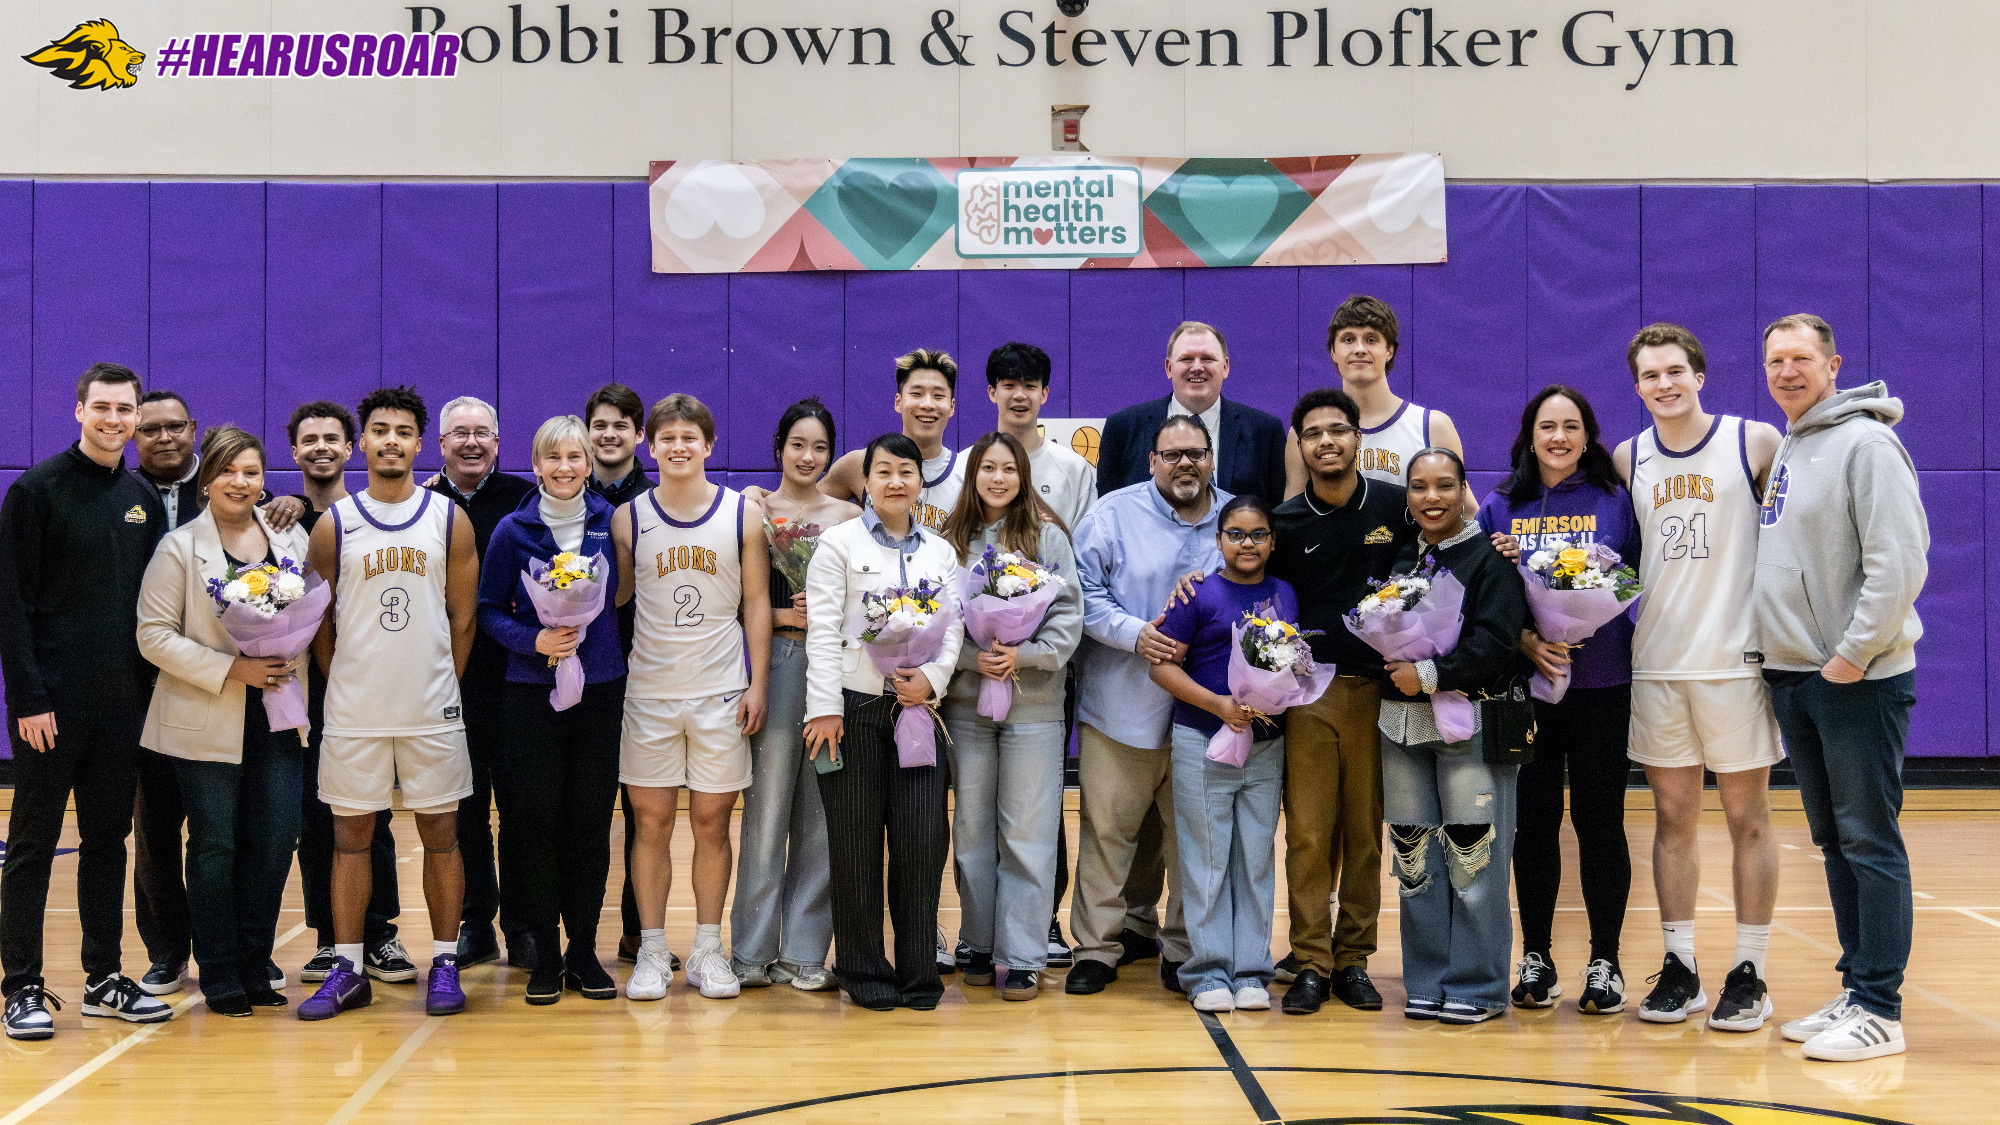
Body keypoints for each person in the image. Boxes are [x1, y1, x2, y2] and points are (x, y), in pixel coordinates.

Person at [1754, 314, 1928, 1062]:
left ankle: (1882, 1009)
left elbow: (1899, 563)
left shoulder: (1867, 443)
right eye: (1774, 360)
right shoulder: (1795, 441)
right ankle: (1857, 987)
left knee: (1869, 840)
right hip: (1799, 677)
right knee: (1835, 842)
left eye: (1801, 358)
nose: (1787, 371)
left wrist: (1853, 655)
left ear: (1834, 364)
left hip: (1855, 678)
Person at [1613, 324, 1785, 1032]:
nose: (1664, 384)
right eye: (1651, 375)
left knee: (1749, 819)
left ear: (1701, 374)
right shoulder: (1629, 456)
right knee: (1673, 820)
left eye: (1676, 371)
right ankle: (1680, 966)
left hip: (1735, 660)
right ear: (1637, 385)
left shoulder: (1755, 442)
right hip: (1657, 660)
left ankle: (1751, 969)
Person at [0, 363, 175, 1040]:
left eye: (124, 409)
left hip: (120, 707)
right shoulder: (37, 490)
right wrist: (29, 696)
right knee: (32, 843)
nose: (113, 418)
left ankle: (103, 977)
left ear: (136, 417)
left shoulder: (139, 496)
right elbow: (11, 603)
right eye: (100, 406)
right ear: (78, 411)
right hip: (50, 706)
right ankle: (22, 986)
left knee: (109, 840)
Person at [298, 385, 479, 1021]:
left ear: (418, 443)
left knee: (441, 835)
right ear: (363, 443)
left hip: (430, 706)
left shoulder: (448, 519)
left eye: (403, 431)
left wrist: (440, 684)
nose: (391, 441)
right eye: (380, 430)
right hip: (355, 710)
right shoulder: (334, 524)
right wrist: (345, 680)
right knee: (349, 837)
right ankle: (347, 966)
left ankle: (447, 961)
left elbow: (462, 619)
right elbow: (318, 624)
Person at [134, 425, 310, 1017]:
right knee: (214, 847)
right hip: (206, 718)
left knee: (273, 842)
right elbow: (152, 637)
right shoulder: (179, 548)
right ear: (207, 478)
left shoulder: (291, 540)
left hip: (279, 720)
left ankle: (257, 959)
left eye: (252, 472)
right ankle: (220, 971)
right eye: (229, 471)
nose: (241, 482)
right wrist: (234, 670)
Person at [1477, 386, 1641, 1015]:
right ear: (1530, 434)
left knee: (1600, 823)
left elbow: (1629, 579)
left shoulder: (1613, 500)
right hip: (1528, 689)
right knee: (1535, 825)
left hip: (1602, 683)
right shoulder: (1500, 506)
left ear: (1587, 434)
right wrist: (1526, 636)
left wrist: (1574, 580)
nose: (1560, 438)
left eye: (1572, 426)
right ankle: (1537, 955)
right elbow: (1484, 599)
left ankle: (1606, 959)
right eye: (1548, 426)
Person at [613, 394, 771, 1002]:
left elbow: (755, 603)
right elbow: (619, 600)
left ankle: (708, 947)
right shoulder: (628, 519)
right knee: (649, 823)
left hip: (721, 691)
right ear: (650, 448)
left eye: (690, 438)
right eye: (667, 438)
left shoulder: (741, 515)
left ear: (709, 446)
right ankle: (652, 948)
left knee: (711, 823)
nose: (678, 447)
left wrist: (758, 683)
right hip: (650, 690)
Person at [801, 434, 965, 1011]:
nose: (896, 482)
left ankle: (920, 973)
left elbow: (954, 629)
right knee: (855, 848)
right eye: (884, 472)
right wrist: (823, 707)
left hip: (917, 712)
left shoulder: (941, 552)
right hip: (850, 711)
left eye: (907, 471)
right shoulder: (837, 544)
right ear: (865, 481)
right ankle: (863, 970)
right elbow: (821, 630)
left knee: (922, 845)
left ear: (921, 482)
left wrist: (934, 681)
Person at [1266, 387, 1415, 1015]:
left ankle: (1354, 958)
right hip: (1308, 696)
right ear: (1300, 446)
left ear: (1359, 439)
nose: (1327, 441)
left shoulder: (1394, 506)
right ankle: (1309, 960)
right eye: (1314, 433)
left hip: (1377, 694)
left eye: (1338, 430)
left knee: (1363, 833)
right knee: (1306, 833)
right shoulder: (1284, 521)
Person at [1065, 415, 1225, 997]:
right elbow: (1079, 594)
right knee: (1108, 832)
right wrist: (1134, 632)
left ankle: (1183, 951)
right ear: (1151, 460)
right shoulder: (1111, 514)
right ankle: (1096, 946)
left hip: (1203, 715)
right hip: (1120, 705)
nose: (1186, 463)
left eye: (1196, 453)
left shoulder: (1234, 520)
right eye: (1172, 453)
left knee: (1192, 839)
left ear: (1212, 459)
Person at [477, 415, 628, 1005]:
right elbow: (490, 610)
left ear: (590, 463)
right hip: (529, 692)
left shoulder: (611, 523)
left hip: (600, 687)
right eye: (552, 458)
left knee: (590, 823)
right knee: (535, 822)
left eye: (575, 457)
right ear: (536, 465)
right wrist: (532, 641)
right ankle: (542, 952)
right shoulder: (512, 531)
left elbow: (625, 593)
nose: (564, 468)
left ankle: (584, 950)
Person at [1379, 448, 1528, 1025]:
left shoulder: (1491, 560)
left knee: (1474, 861)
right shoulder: (1400, 563)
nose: (1431, 497)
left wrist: (1433, 675)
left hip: (1472, 728)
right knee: (1415, 862)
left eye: (1444, 486)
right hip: (1402, 728)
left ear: (1465, 491)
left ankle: (1481, 984)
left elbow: (1496, 641)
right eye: (1419, 487)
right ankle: (1428, 977)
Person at [939, 432, 1082, 1001]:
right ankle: (977, 940)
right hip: (967, 704)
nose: (998, 478)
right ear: (973, 474)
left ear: (1023, 476)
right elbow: (937, 619)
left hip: (1034, 706)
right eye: (987, 468)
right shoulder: (948, 541)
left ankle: (1023, 952)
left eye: (1009, 469)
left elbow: (1068, 616)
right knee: (973, 830)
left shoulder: (1048, 537)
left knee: (1027, 830)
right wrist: (980, 658)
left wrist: (1020, 655)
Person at [278, 402, 406, 987]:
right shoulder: (277, 521)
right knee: (318, 814)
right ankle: (332, 938)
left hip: (370, 683)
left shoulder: (371, 515)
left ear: (350, 449)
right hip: (302, 688)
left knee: (372, 814)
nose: (322, 447)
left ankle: (379, 934)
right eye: (310, 440)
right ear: (295, 451)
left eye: (333, 438)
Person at [730, 399, 856, 993]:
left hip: (836, 670)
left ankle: (805, 951)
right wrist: (788, 613)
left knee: (822, 811)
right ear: (778, 446)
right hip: (778, 663)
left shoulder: (850, 516)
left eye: (820, 447)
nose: (808, 457)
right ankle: (751, 952)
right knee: (767, 809)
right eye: (798, 444)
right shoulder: (754, 512)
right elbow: (742, 601)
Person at [1151, 495, 1294, 1012]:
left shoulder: (1285, 593)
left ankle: (1251, 969)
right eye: (1236, 533)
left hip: (1265, 746)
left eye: (1258, 534)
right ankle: (1207, 971)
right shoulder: (1199, 595)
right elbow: (1161, 667)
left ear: (1272, 542)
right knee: (1207, 859)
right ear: (1219, 540)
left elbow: (1294, 663)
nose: (1247, 543)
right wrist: (1218, 704)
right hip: (1203, 741)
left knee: (1255, 859)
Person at [979, 341, 1095, 969]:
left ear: (1046, 394)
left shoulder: (1073, 473)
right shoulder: (976, 463)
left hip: (1049, 667)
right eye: (1007, 383)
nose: (1019, 393)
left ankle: (1042, 923)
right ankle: (983, 934)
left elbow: (1070, 573)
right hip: (975, 673)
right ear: (992, 391)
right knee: (977, 814)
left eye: (1031, 384)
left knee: (1038, 803)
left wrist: (1035, 649)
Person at [425, 396, 536, 969]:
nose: (471, 443)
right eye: (459, 434)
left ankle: (521, 924)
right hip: (447, 681)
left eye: (482, 434)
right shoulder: (419, 506)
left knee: (518, 807)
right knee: (463, 809)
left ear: (498, 441)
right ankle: (475, 923)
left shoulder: (525, 498)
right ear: (439, 444)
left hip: (520, 677)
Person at [128, 389, 202, 997]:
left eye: (174, 426)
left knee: (219, 830)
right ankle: (166, 951)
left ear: (193, 429)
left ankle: (229, 950)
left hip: (222, 686)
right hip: (141, 687)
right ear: (133, 436)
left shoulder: (231, 487)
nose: (164, 437)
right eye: (149, 429)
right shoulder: (118, 497)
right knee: (154, 831)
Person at [581, 381, 657, 966]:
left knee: (642, 814)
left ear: (639, 437)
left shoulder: (658, 505)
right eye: (599, 425)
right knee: (582, 808)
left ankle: (640, 931)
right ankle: (573, 938)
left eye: (620, 425)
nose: (609, 434)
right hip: (578, 674)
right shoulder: (563, 497)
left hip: (646, 676)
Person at [1285, 296, 1468, 504]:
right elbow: (1294, 516)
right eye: (1348, 339)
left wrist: (1495, 536)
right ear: (1333, 352)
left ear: (1389, 351)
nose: (1360, 349)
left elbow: (1465, 510)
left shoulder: (1432, 425)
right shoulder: (1306, 432)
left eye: (1371, 339)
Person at [1096, 322, 1287, 503]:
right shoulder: (1122, 429)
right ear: (1169, 368)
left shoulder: (1265, 432)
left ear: (1226, 367)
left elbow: (1276, 512)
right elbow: (1108, 509)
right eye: (1187, 359)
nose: (1197, 367)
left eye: (1207, 358)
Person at [821, 349, 963, 532]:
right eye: (917, 394)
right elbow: (803, 505)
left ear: (951, 406)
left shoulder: (966, 474)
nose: (927, 404)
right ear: (898, 402)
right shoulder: (859, 464)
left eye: (938, 396)